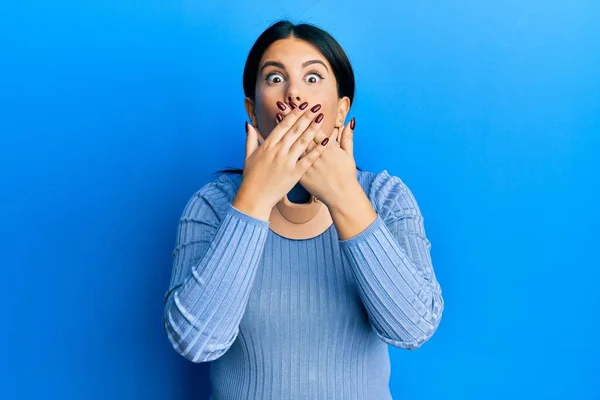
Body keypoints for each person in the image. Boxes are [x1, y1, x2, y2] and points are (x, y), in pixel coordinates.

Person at [163, 19, 444, 400]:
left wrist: (345, 197)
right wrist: (254, 200)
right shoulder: (211, 206)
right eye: (275, 78)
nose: (294, 93)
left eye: (313, 78)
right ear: (251, 109)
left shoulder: (387, 198)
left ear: (341, 108)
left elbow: (412, 329)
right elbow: (196, 343)